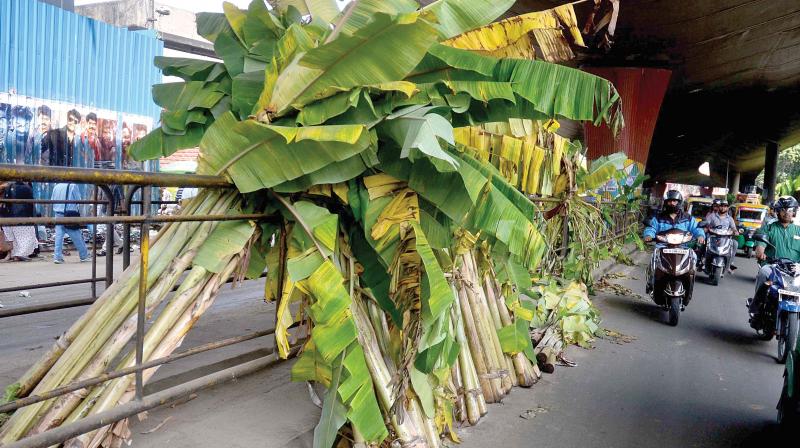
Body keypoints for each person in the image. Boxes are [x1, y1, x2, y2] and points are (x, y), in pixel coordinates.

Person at [643, 190, 706, 293]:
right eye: (670, 201)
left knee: (693, 257)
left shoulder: (688, 218)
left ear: (679, 202)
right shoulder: (658, 217)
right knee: (654, 257)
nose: (672, 203)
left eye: (675, 201)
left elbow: (696, 228)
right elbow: (651, 228)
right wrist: (649, 235)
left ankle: (689, 282)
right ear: (666, 202)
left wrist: (700, 235)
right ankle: (651, 281)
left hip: (683, 247)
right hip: (663, 246)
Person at [750, 196, 800, 316]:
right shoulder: (769, 228)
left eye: (790, 210)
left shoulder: (799, 231)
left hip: (795, 269)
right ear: (777, 211)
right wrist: (760, 253)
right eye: (783, 210)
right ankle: (757, 306)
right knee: (763, 273)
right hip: (773, 266)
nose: (786, 213)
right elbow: (760, 247)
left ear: (794, 212)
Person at [51, 182, 90, 264]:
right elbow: (78, 200)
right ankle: (84, 256)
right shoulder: (73, 185)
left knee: (59, 237)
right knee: (77, 236)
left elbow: (52, 200)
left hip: (58, 214)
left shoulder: (56, 186)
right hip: (69, 214)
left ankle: (57, 257)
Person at [0, 181, 38, 262]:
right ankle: (20, 254)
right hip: (22, 215)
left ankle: (13, 254)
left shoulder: (9, 187)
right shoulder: (26, 187)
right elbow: (30, 204)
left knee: (12, 238)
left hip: (7, 215)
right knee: (26, 236)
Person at [702, 199, 739, 274]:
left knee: (735, 244)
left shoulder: (730, 219)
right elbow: (706, 224)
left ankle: (729, 264)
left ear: (727, 208)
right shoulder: (712, 216)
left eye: (725, 206)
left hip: (725, 239)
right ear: (719, 207)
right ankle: (700, 261)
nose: (723, 208)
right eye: (721, 206)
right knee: (703, 241)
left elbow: (733, 228)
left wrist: (735, 231)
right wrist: (705, 228)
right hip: (712, 237)